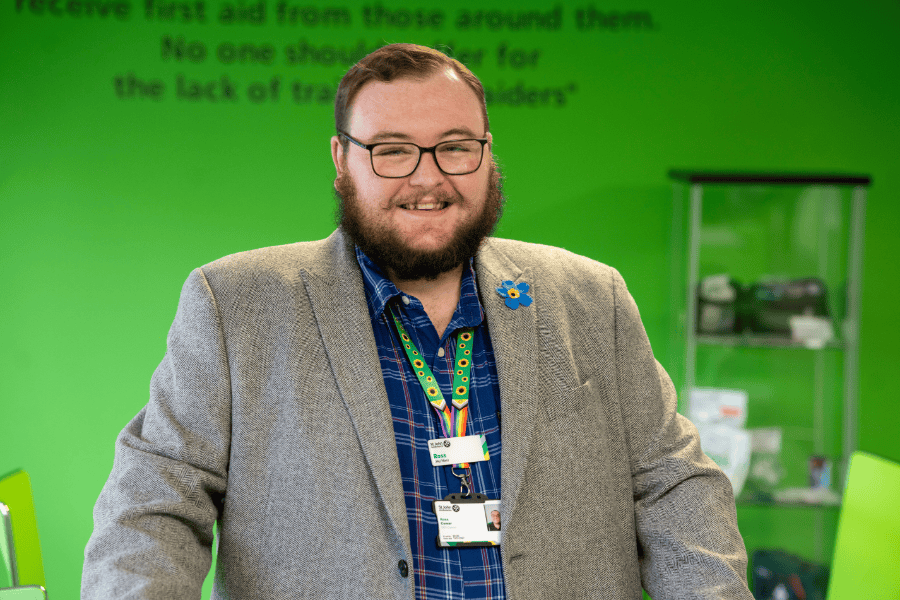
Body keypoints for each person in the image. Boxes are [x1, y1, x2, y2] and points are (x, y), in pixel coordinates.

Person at [82, 43, 752, 600]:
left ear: (488, 155)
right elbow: (152, 508)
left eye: (455, 147)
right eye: (393, 150)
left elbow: (675, 486)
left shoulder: (590, 299)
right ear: (343, 160)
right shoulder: (236, 305)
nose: (427, 179)